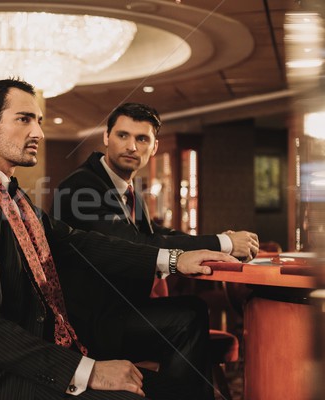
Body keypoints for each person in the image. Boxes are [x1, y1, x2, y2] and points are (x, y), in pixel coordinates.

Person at [0, 79, 237, 400]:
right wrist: (88, 370)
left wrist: (174, 259)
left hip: (36, 359)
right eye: (24, 119)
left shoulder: (11, 197)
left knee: (180, 391)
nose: (39, 133)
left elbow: (78, 242)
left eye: (39, 121)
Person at [50, 102, 259, 395]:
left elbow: (158, 233)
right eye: (123, 136)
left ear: (154, 146)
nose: (131, 146)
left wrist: (216, 240)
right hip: (90, 323)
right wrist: (222, 243)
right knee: (188, 316)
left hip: (117, 310)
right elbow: (130, 244)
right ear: (106, 137)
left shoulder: (123, 186)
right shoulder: (82, 187)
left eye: (142, 139)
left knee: (190, 312)